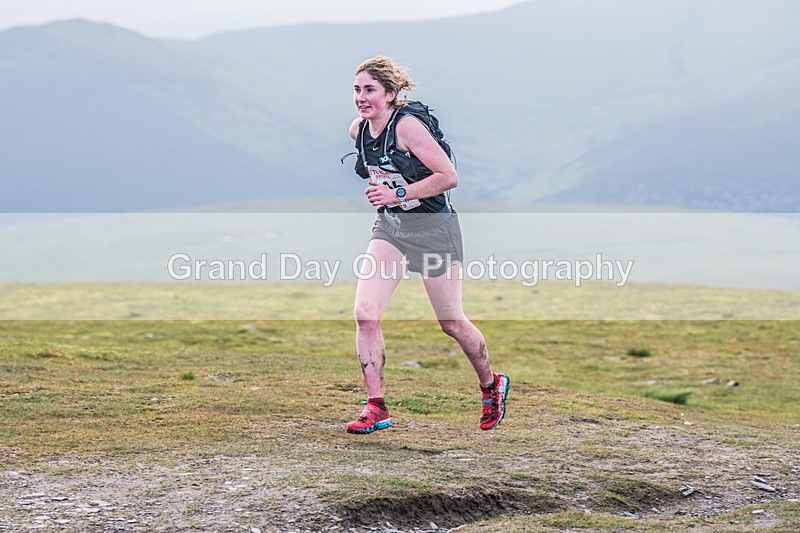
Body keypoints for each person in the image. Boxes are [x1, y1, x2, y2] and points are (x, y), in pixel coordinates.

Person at [346, 56, 509, 434]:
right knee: (365, 313)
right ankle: (377, 407)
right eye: (356, 89)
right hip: (391, 229)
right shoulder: (358, 132)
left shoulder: (407, 127)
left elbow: (448, 177)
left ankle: (491, 384)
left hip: (435, 230)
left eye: (369, 89)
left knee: (450, 322)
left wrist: (397, 192)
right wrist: (390, 199)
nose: (361, 97)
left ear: (390, 93)